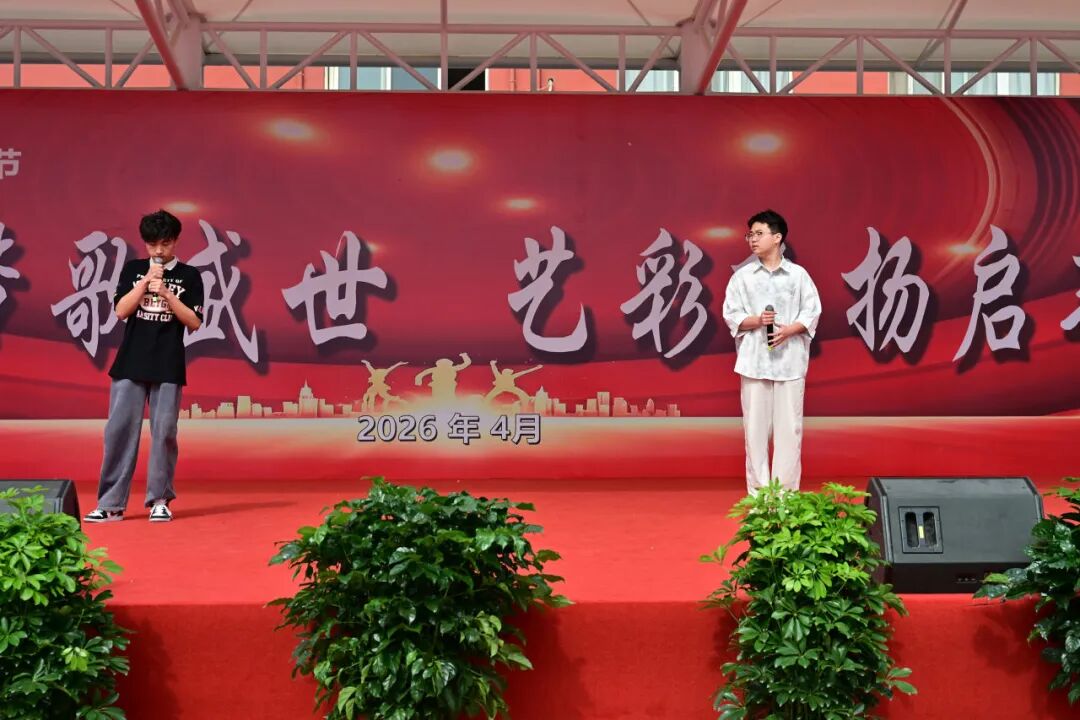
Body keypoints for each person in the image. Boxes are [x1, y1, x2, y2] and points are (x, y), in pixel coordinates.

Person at [84, 210, 204, 523]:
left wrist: (165, 293)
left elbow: (194, 321)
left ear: (175, 241)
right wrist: (145, 283)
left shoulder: (190, 275)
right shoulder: (133, 269)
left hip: (168, 363)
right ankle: (110, 503)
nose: (159, 251)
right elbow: (121, 311)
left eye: (165, 243)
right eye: (152, 244)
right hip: (130, 362)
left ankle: (160, 500)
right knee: (119, 432)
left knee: (164, 433)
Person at [722, 209, 821, 494]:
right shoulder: (742, 278)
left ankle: (785, 497)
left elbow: (812, 311)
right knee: (755, 432)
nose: (752, 239)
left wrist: (790, 330)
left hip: (790, 362)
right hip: (754, 362)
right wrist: (757, 320)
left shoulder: (798, 276)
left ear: (777, 238)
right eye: (750, 235)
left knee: (790, 431)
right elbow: (731, 315)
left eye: (759, 233)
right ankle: (760, 497)